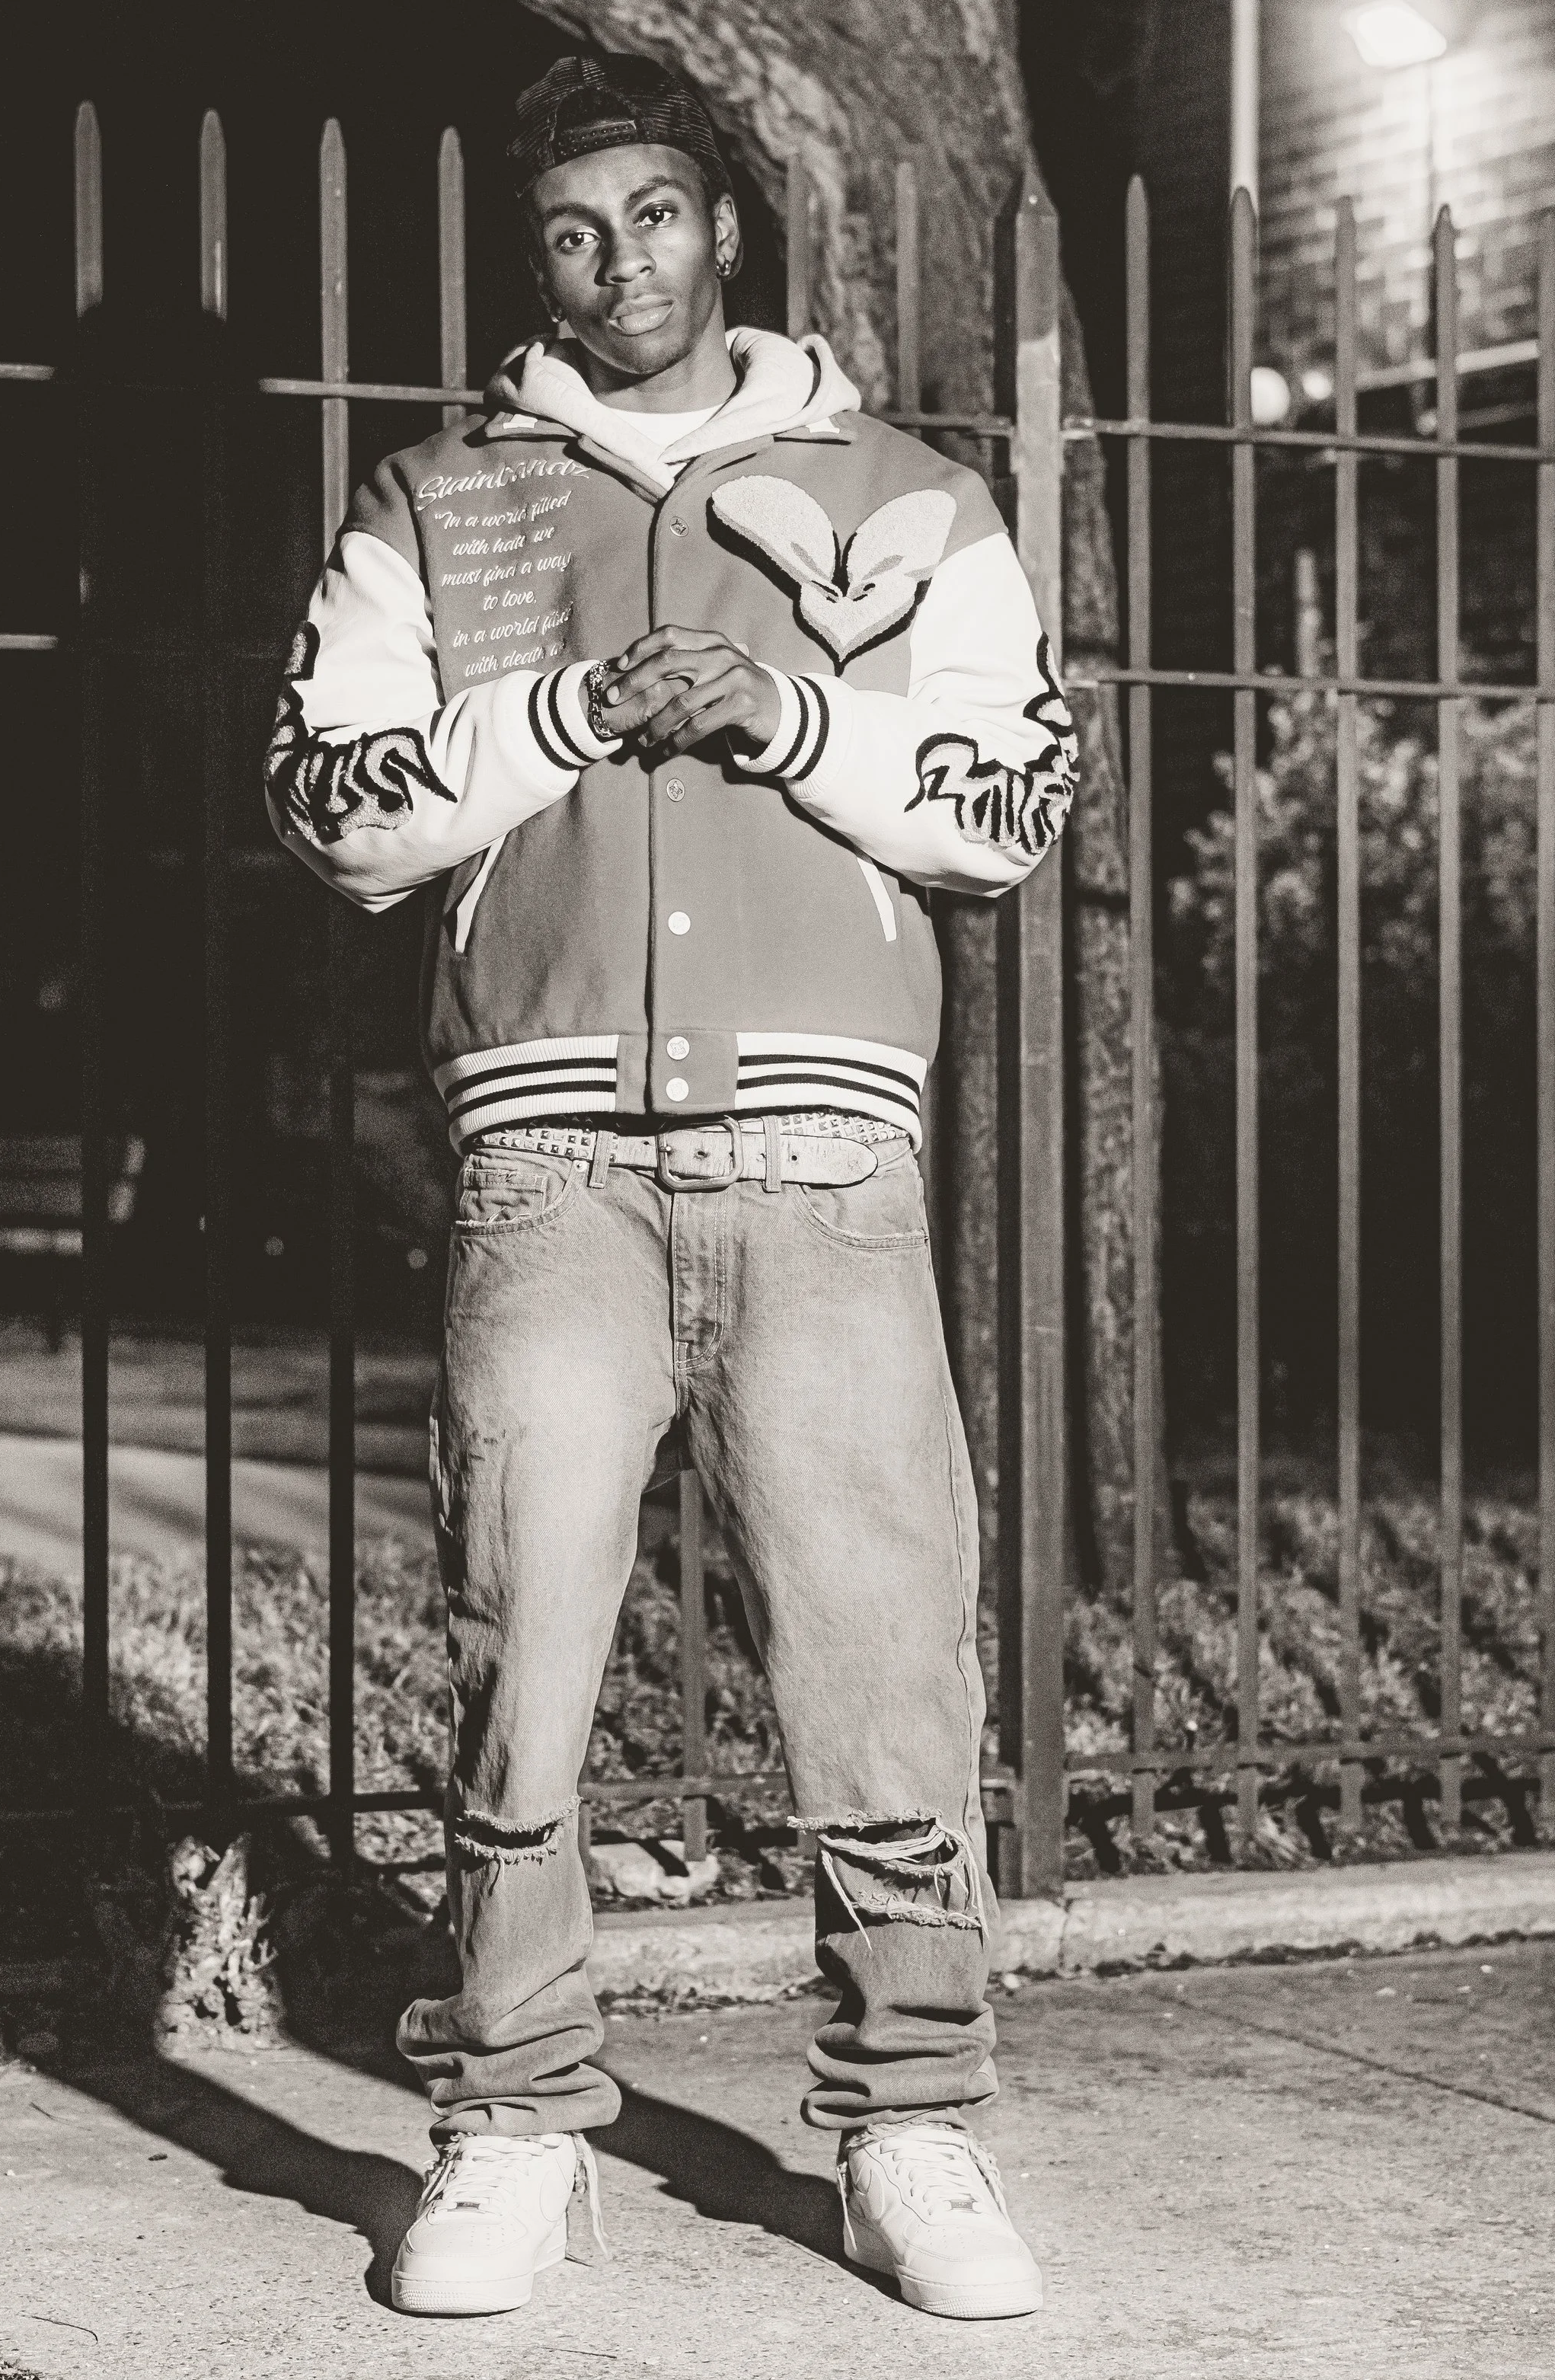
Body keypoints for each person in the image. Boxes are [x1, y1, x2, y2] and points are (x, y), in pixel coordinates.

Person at [265, 51, 1078, 2326]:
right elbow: (329, 800)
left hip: (823, 1161)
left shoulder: (900, 492)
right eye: (568, 232)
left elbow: (1012, 806)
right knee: (518, 1660)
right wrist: (561, 724)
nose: (613, 264)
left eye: (651, 214)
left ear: (727, 221)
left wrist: (790, 722)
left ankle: (911, 2125)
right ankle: (513, 2124)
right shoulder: (440, 493)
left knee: (879, 1661)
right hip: (546, 1166)